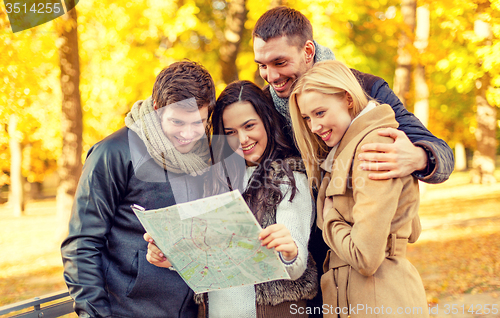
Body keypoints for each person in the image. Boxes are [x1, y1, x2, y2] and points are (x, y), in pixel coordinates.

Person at [146, 80, 318, 318]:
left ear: (267, 121)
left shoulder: (288, 176)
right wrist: (172, 259)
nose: (243, 139)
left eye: (249, 126)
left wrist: (290, 253)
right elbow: (208, 259)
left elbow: (296, 264)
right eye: (230, 132)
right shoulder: (214, 179)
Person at [61, 61, 216, 318]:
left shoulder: (204, 156)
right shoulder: (113, 153)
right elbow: (81, 245)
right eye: (178, 122)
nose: (189, 134)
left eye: (198, 122)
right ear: (156, 109)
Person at [289, 60, 429, 317]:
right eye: (307, 118)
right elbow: (409, 227)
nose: (314, 127)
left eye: (320, 113)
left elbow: (366, 256)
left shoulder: (372, 148)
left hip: (377, 298)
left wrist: (330, 218)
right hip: (364, 296)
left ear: (348, 99)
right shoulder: (348, 149)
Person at [252, 6, 454, 183]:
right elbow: (228, 165)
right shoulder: (261, 108)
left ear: (308, 51)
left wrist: (419, 157)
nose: (271, 76)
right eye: (262, 65)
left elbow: (443, 155)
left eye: (280, 63)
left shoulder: (366, 88)